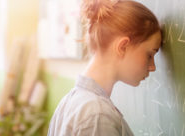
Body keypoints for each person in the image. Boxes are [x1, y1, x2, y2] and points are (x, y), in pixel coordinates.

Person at [48, 0, 162, 135]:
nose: (152, 67)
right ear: (123, 47)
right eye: (149, 55)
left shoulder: (69, 102)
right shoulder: (97, 115)